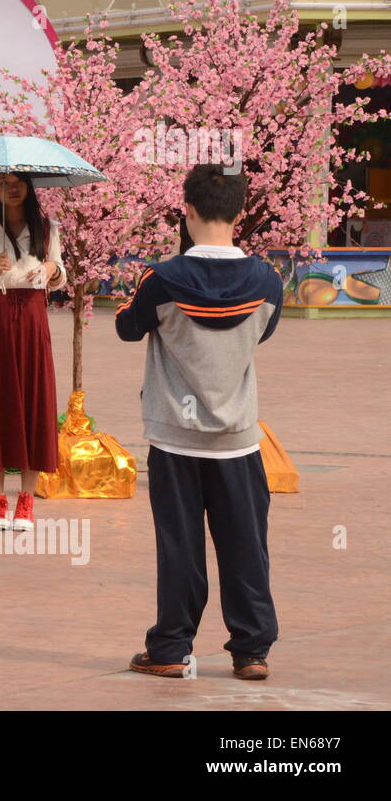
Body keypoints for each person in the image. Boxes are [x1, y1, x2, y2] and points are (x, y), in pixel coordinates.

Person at [117, 164, 283, 682]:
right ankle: (251, 651)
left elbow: (127, 327)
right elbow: (262, 333)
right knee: (246, 546)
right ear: (240, 213)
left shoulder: (161, 278)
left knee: (180, 546)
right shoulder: (267, 280)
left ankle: (170, 647)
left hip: (175, 438)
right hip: (237, 438)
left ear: (186, 210)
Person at [0, 171, 66, 533]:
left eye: (18, 181)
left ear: (29, 186)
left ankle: (27, 503)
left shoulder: (47, 228)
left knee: (33, 400)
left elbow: (59, 273)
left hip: (33, 319)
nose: (12, 188)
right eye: (2, 183)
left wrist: (51, 267)